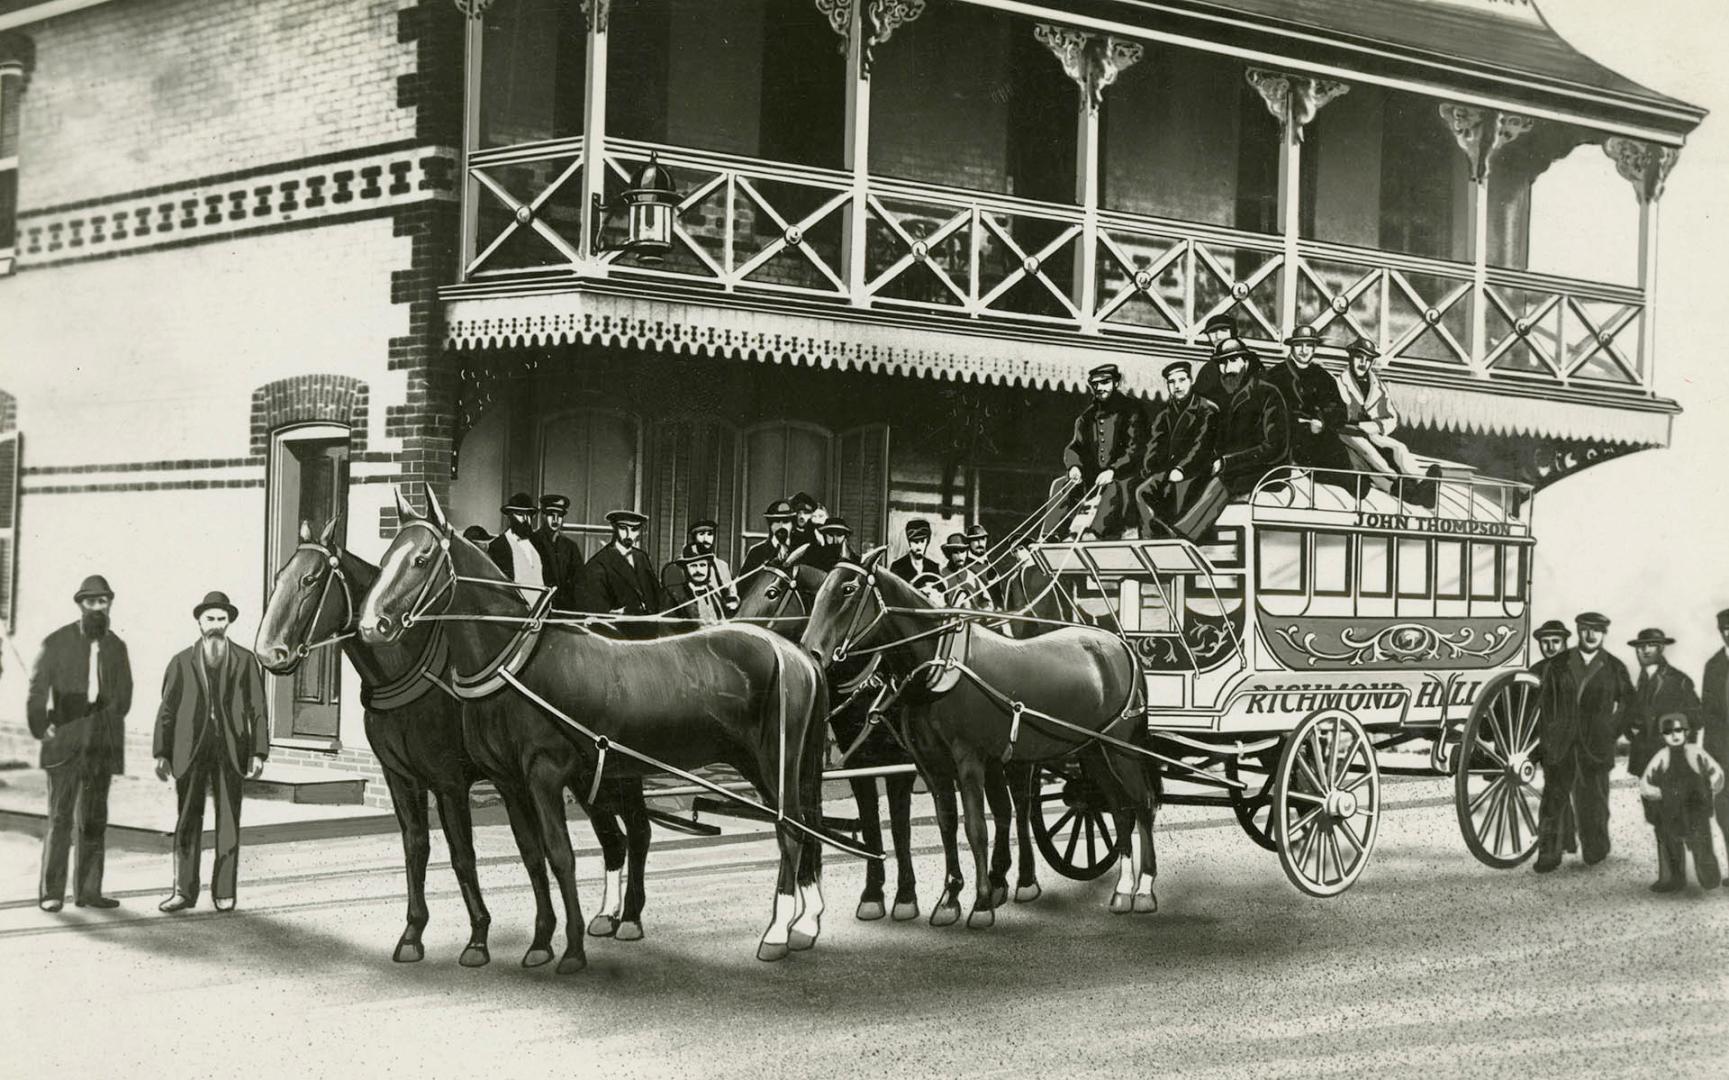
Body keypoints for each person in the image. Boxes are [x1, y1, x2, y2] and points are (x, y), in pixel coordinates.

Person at [155, 591, 269, 913]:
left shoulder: (245, 660)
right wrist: (162, 753)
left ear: (229, 622)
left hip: (231, 751)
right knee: (187, 820)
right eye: (210, 619)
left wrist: (258, 752)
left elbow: (257, 708)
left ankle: (223, 892)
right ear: (200, 622)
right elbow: (167, 710)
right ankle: (182, 892)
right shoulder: (180, 661)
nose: (216, 625)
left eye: (221, 619)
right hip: (189, 751)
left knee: (229, 822)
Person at [27, 574, 133, 912]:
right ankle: (51, 893)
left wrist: (104, 719)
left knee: (94, 820)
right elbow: (37, 690)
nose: (98, 607)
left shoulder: (117, 646)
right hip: (64, 742)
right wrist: (41, 727)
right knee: (60, 818)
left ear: (109, 605)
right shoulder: (56, 642)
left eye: (103, 602)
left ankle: (89, 892)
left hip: (101, 743)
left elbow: (125, 696)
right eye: (91, 602)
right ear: (80, 604)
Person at [1533, 611, 1635, 873]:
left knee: (1594, 800)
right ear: (1578, 631)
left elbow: (1628, 703)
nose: (1590, 635)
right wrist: (1552, 731)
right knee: (1553, 800)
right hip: (1561, 745)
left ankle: (1595, 848)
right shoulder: (1560, 663)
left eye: (1596, 631)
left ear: (1603, 634)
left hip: (1596, 747)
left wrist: (1609, 731)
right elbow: (1543, 700)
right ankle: (1548, 855)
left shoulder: (1613, 666)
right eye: (1585, 630)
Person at [1172, 339, 1290, 541]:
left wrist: (1228, 462)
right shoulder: (1224, 397)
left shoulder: (1267, 393)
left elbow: (1275, 447)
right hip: (1233, 467)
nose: (1227, 368)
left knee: (1221, 482)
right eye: (1222, 363)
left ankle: (1184, 537)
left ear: (1245, 361)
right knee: (1189, 480)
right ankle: (1171, 534)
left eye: (1232, 361)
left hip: (1265, 470)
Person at [1334, 337, 1439, 507]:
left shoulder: (1378, 386)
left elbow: (1391, 417)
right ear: (1351, 358)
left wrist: (1376, 426)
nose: (1363, 363)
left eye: (1368, 360)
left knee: (1399, 449)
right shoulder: (1338, 383)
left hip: (1372, 431)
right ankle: (1406, 487)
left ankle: (1422, 484)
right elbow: (1337, 415)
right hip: (1347, 433)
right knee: (1374, 460)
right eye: (1359, 357)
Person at [1060, 363, 1148, 540]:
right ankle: (1052, 534)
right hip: (1094, 478)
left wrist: (1113, 469)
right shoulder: (1087, 417)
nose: (1099, 388)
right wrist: (1074, 466)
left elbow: (1136, 447)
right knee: (1061, 485)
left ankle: (1093, 533)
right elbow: (1074, 446)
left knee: (1113, 486)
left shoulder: (1132, 410)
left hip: (1126, 476)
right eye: (1095, 384)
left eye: (1105, 382)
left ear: (1115, 383)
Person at [1638, 713, 1724, 892]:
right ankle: (1674, 879)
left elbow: (1715, 772)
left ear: (1686, 732)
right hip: (1671, 811)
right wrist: (1658, 793)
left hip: (1696, 810)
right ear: (1662, 736)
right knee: (1671, 844)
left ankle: (1709, 877)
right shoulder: (1661, 756)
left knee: (1702, 844)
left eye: (1678, 730)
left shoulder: (1695, 753)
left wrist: (1712, 787)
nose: (1674, 735)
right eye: (1668, 732)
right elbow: (1646, 782)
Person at [1136, 360, 1220, 537]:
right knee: (1141, 492)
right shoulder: (1165, 413)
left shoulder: (1207, 409)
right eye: (1172, 382)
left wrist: (1181, 469)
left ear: (1190, 381)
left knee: (1175, 497)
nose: (1177, 386)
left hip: (1196, 469)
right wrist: (1149, 468)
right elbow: (1154, 444)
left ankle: (1172, 538)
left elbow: (1201, 445)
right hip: (1169, 471)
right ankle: (1149, 538)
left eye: (1181, 380)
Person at [1265, 324, 1351, 476]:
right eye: (1299, 345)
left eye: (1309, 346)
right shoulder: (1275, 374)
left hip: (1318, 434)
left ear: (1314, 348)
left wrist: (1322, 421)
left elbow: (1339, 410)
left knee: (1340, 465)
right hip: (1286, 435)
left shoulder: (1323, 376)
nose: (1304, 350)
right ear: (1291, 347)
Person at [1529, 619, 1578, 854]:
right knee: (1556, 788)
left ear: (1565, 643)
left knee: (1553, 794)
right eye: (1545, 642)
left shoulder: (1575, 670)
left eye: (1555, 642)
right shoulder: (1535, 671)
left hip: (1570, 741)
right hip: (1545, 741)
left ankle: (1547, 852)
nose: (1549, 647)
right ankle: (1568, 840)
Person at [1624, 628, 1698, 780]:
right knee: (1649, 802)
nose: (1644, 650)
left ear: (1661, 648)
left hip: (1672, 762)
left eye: (1650, 645)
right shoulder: (1638, 682)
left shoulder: (1680, 681)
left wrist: (1682, 755)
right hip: (1644, 762)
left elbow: (1696, 719)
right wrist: (1632, 734)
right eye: (1640, 646)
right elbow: (1629, 717)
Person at [576, 510, 666, 616]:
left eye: (634, 529)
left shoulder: (641, 557)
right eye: (623, 528)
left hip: (649, 627)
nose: (629, 535)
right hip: (618, 630)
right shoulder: (599, 563)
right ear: (614, 527)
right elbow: (597, 612)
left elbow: (656, 594)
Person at [1696, 608, 1729, 883]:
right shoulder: (1713, 666)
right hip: (1722, 754)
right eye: (1726, 629)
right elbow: (1707, 713)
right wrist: (1706, 757)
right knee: (1725, 814)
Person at [486, 491, 551, 605]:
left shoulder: (538, 544)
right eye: (520, 515)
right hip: (516, 615)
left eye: (529, 515)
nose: (526, 520)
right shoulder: (498, 546)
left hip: (541, 613)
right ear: (510, 516)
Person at [536, 494, 587, 611]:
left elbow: (579, 581)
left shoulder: (570, 547)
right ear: (543, 515)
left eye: (559, 515)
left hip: (565, 610)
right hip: (539, 610)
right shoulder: (532, 542)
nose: (555, 520)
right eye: (551, 515)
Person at [665, 545, 731, 624]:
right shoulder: (673, 595)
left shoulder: (713, 592)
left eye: (702, 565)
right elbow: (668, 628)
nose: (698, 570)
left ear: (708, 568)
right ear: (686, 569)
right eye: (693, 566)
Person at [740, 499, 797, 577]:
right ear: (770, 524)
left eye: (786, 521)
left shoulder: (798, 551)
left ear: (792, 524)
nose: (781, 526)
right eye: (776, 521)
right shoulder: (756, 553)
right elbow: (742, 586)